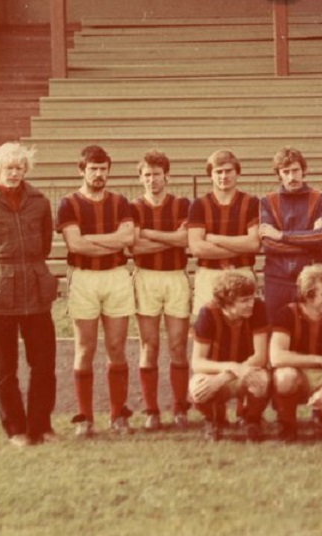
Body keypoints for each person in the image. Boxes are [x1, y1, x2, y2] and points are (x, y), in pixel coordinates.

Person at [56, 145, 136, 436]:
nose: (99, 174)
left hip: (116, 275)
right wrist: (112, 240)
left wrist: (92, 239)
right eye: (93, 169)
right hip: (84, 277)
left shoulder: (120, 201)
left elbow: (128, 238)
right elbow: (75, 244)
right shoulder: (68, 203)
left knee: (116, 347)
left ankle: (118, 415)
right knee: (85, 348)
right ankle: (85, 418)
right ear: (82, 170)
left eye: (103, 169)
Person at [0, 142, 59, 447]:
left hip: (36, 292)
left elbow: (45, 244)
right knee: (5, 368)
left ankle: (41, 425)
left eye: (19, 168)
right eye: (9, 168)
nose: (14, 173)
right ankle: (16, 429)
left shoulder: (40, 202)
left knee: (44, 363)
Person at [129, 150, 191, 430]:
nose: (152, 180)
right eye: (147, 175)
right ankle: (151, 410)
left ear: (167, 176)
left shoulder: (182, 204)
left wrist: (148, 233)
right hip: (146, 277)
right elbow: (134, 247)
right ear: (140, 178)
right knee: (149, 345)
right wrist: (171, 239)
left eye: (156, 174)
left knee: (178, 345)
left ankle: (179, 408)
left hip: (175, 276)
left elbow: (186, 239)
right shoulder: (133, 207)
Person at [269, 264, 322, 441]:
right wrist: (321, 360)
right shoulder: (287, 314)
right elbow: (276, 357)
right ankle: (286, 424)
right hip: (299, 374)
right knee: (284, 376)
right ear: (308, 295)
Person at [190, 272, 270, 441]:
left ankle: (251, 419)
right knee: (198, 389)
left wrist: (226, 376)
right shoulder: (208, 313)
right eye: (244, 300)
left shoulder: (258, 308)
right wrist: (228, 369)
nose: (250, 304)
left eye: (252, 298)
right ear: (227, 302)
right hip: (217, 373)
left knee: (262, 380)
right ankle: (215, 419)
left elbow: (260, 357)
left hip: (244, 371)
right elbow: (197, 363)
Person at [259, 147, 322, 324]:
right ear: (279, 174)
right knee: (277, 330)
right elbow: (268, 244)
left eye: (296, 170)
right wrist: (309, 240)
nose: (292, 177)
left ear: (304, 170)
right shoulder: (267, 201)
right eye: (286, 172)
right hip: (277, 280)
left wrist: (282, 235)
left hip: (313, 279)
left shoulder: (321, 199)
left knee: (313, 330)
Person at [187, 149, 260, 315]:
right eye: (218, 172)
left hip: (241, 271)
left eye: (228, 171)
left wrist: (214, 238)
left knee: (242, 325)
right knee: (208, 324)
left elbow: (253, 244)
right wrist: (240, 246)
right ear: (210, 175)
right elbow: (197, 248)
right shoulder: (199, 205)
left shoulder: (251, 202)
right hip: (209, 274)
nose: (224, 176)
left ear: (237, 172)